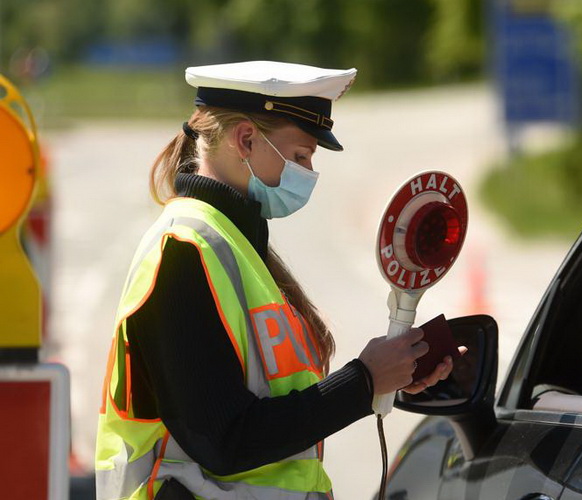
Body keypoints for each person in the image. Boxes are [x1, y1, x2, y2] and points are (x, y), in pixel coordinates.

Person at [95, 61, 457, 500]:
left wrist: (385, 378)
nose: (307, 173)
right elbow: (224, 440)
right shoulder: (184, 251)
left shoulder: (235, 245)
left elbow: (279, 409)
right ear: (246, 139)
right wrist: (362, 383)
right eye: (301, 156)